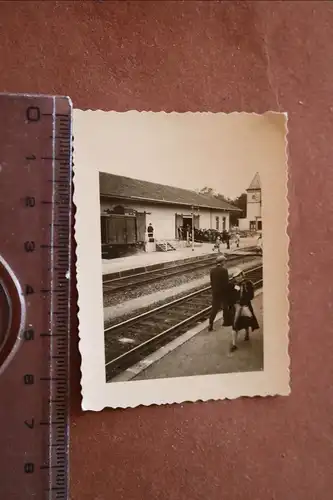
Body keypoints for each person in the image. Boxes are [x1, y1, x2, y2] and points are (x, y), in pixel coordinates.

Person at [226, 268, 259, 352]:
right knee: (235, 324)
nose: (238, 278)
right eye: (236, 277)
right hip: (236, 307)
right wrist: (233, 303)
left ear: (242, 275)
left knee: (246, 320)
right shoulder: (232, 285)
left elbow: (251, 296)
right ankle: (234, 344)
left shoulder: (248, 284)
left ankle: (247, 333)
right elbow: (229, 296)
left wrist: (242, 302)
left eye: (239, 276)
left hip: (245, 306)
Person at [208, 254, 229, 331]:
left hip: (215, 292)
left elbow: (212, 282)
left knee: (214, 309)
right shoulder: (224, 270)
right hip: (223, 292)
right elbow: (226, 283)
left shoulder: (212, 270)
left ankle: (210, 324)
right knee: (225, 307)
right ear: (222, 262)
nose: (225, 262)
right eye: (225, 261)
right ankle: (226, 322)